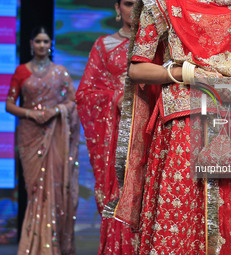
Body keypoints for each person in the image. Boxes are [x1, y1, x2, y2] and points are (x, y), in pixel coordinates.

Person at [113, 0, 231, 254]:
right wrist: (187, 74)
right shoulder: (161, 5)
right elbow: (137, 69)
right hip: (183, 125)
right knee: (181, 217)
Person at [6, 26, 79, 255]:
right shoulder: (21, 71)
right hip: (30, 135)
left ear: (51, 44)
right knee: (35, 190)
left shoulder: (61, 72)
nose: (41, 45)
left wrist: (56, 109)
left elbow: (72, 102)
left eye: (45, 41)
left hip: (54, 134)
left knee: (55, 189)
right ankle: (33, 246)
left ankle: (52, 246)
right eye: (37, 41)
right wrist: (31, 114)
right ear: (30, 44)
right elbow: (9, 104)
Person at [75, 0, 139, 254]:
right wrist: (115, 98)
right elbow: (85, 93)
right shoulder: (103, 46)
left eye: (139, 4)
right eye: (128, 3)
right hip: (116, 135)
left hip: (149, 131)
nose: (133, 10)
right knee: (120, 194)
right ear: (117, 8)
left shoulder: (160, 45)